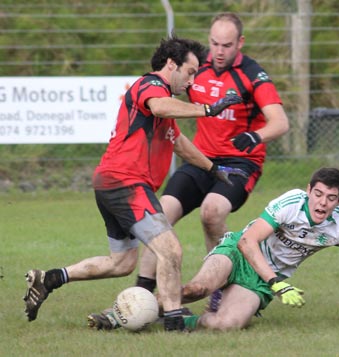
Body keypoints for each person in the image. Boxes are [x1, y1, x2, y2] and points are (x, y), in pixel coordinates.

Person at [22, 35, 245, 332]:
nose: (192, 82)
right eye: (190, 72)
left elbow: (177, 142)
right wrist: (207, 109)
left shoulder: (164, 104)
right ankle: (175, 323)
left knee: (122, 263)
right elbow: (160, 107)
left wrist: (213, 169)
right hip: (125, 182)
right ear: (171, 64)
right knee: (171, 250)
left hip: (112, 183)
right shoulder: (150, 86)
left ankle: (50, 278)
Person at [87, 12, 290, 330]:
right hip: (200, 159)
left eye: (226, 44)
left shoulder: (253, 75)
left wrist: (255, 136)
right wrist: (203, 108)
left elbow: (280, 121)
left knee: (212, 211)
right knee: (160, 214)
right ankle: (141, 296)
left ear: (240, 43)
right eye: (214, 43)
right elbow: (168, 100)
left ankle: (221, 288)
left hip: (238, 163)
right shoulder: (195, 68)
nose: (219, 51)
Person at [175, 167, 339, 331]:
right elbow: (246, 242)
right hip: (238, 254)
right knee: (196, 289)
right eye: (318, 194)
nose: (322, 203)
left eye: (331, 198)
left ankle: (179, 322)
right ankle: (150, 306)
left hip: (261, 283)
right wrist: (277, 283)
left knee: (226, 325)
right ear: (309, 191)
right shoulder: (291, 203)